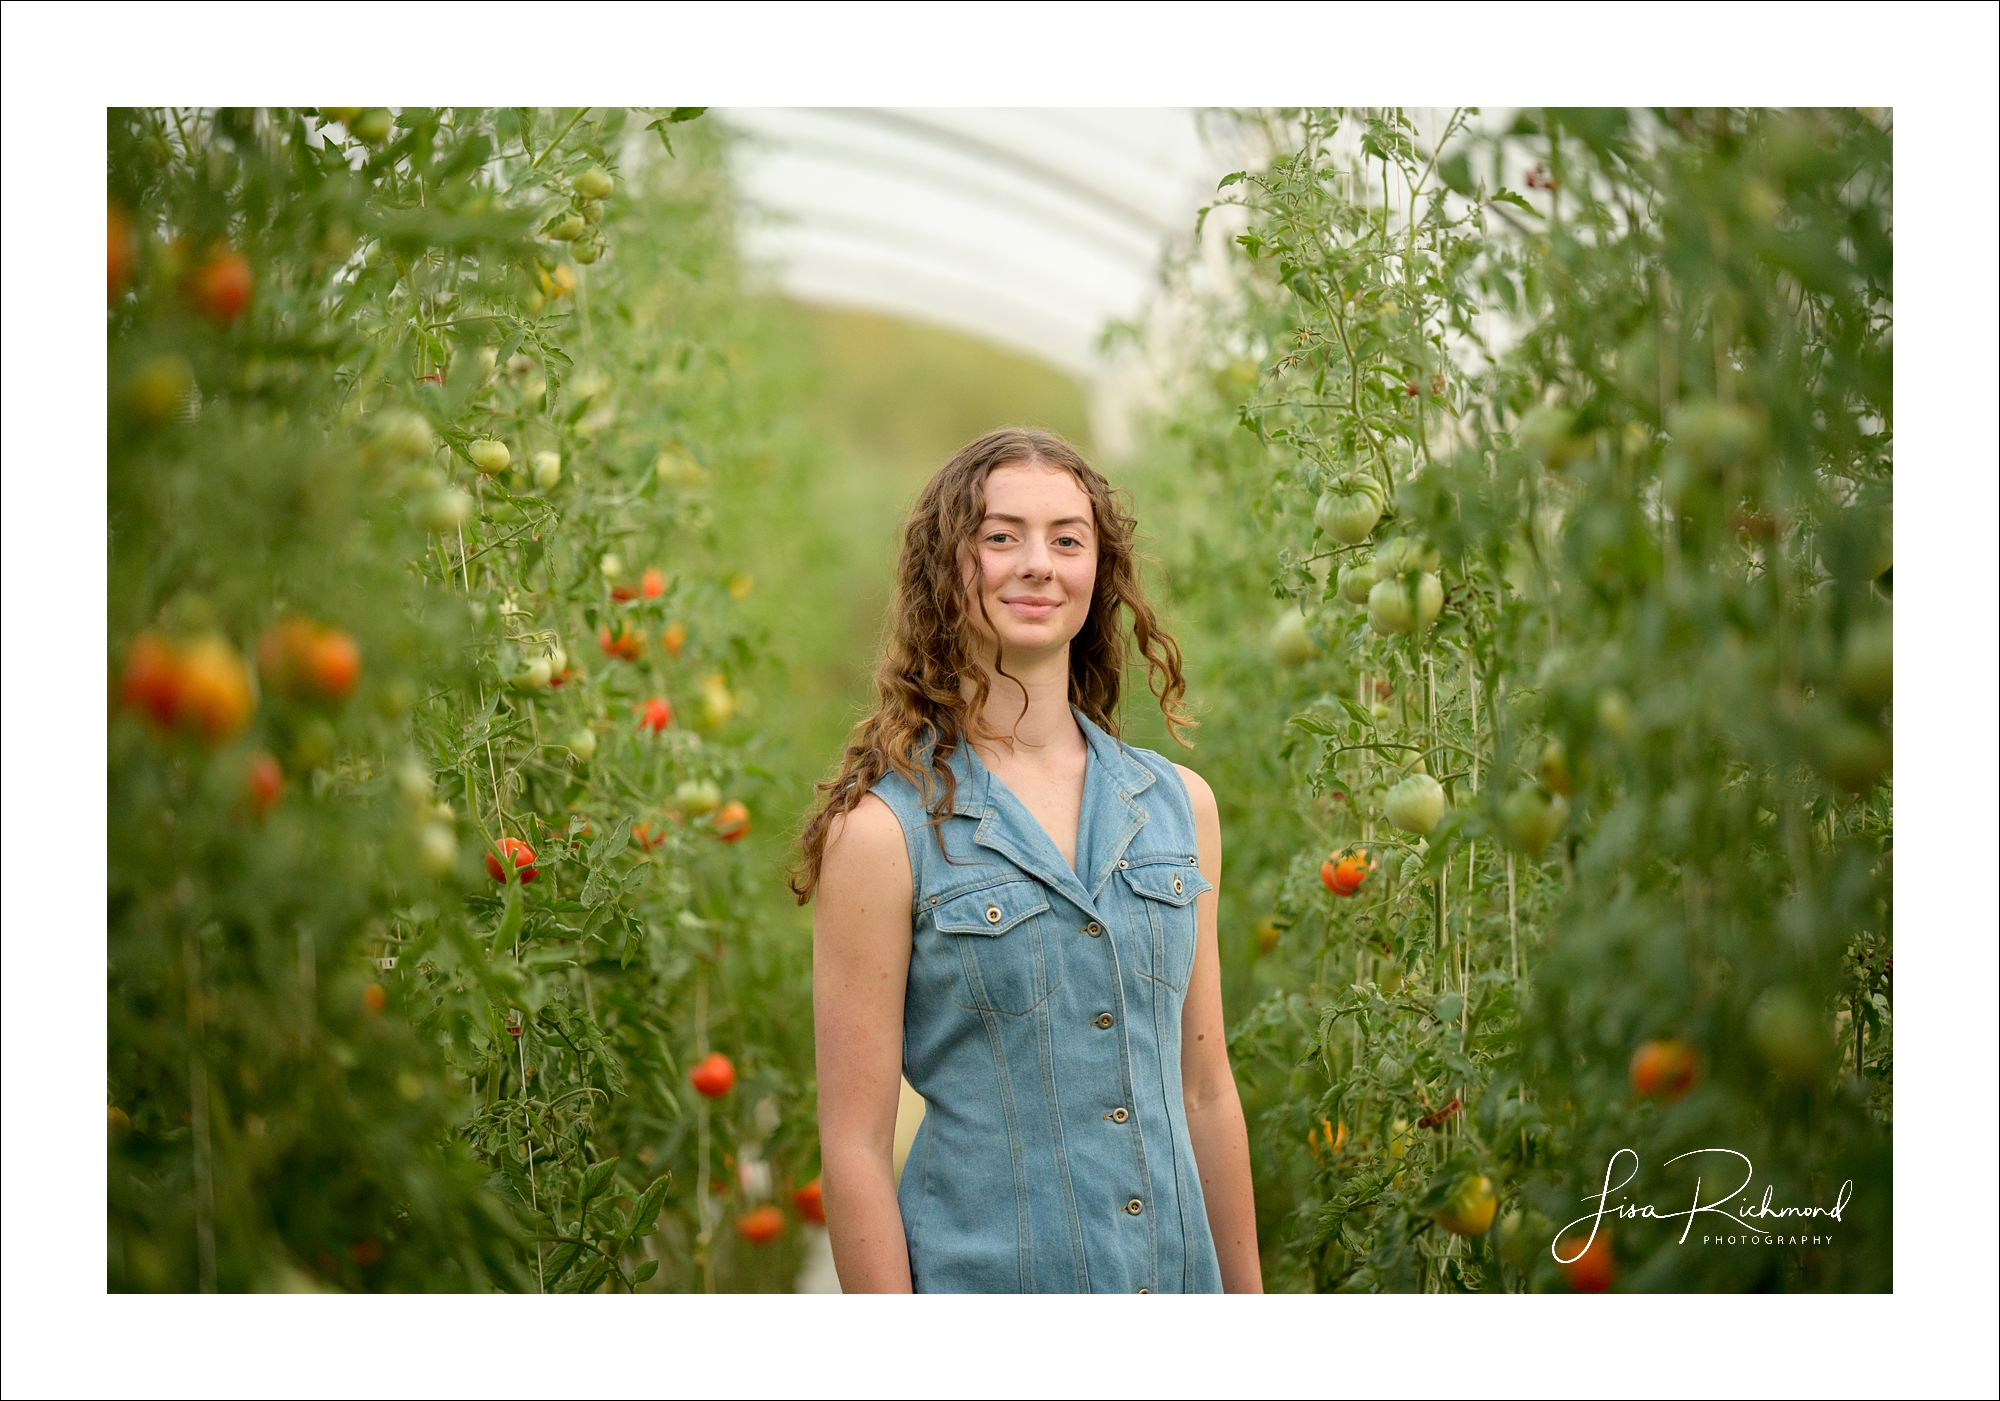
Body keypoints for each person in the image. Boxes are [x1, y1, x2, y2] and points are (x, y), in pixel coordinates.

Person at [792, 427, 1260, 1293]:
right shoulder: (884, 833)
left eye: (1067, 539)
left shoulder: (1179, 807)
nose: (1038, 563)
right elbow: (855, 1147)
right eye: (1000, 535)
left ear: (1099, 572)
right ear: (947, 569)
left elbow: (1205, 1090)